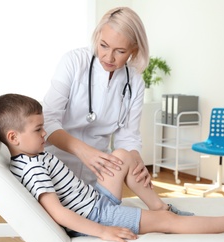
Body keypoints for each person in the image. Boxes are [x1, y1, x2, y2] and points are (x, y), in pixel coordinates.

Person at [0, 93, 224, 242]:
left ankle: (159, 207)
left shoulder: (34, 156)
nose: (45, 133)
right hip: (98, 215)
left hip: (95, 200)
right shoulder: (31, 168)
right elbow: (58, 212)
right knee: (169, 225)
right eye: (38, 129)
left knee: (121, 154)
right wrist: (102, 231)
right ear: (13, 137)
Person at [43, 7, 152, 188]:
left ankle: (164, 210)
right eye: (103, 45)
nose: (109, 57)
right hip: (56, 165)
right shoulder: (73, 62)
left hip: (99, 172)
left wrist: (137, 159)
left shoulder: (135, 82)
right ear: (97, 36)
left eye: (120, 51)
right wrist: (83, 151)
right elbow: (47, 120)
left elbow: (128, 136)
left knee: (98, 212)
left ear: (134, 49)